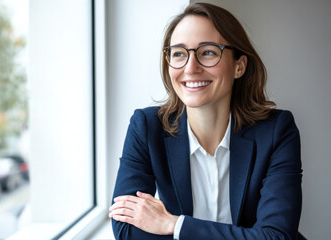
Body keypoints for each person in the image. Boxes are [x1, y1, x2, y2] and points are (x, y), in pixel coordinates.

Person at [109, 2, 302, 240]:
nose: (190, 68)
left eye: (208, 52)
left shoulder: (277, 131)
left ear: (239, 66)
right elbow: (127, 230)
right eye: (179, 53)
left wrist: (175, 225)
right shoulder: (146, 127)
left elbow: (276, 237)